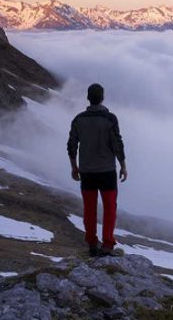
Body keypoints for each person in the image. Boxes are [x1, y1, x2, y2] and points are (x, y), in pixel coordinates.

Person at [67, 83, 127, 257]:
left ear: (88, 97)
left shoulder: (79, 119)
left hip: (87, 171)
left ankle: (92, 244)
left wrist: (74, 167)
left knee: (89, 208)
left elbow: (72, 145)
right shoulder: (110, 119)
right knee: (109, 208)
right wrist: (123, 165)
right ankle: (107, 244)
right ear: (102, 97)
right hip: (107, 171)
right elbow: (117, 143)